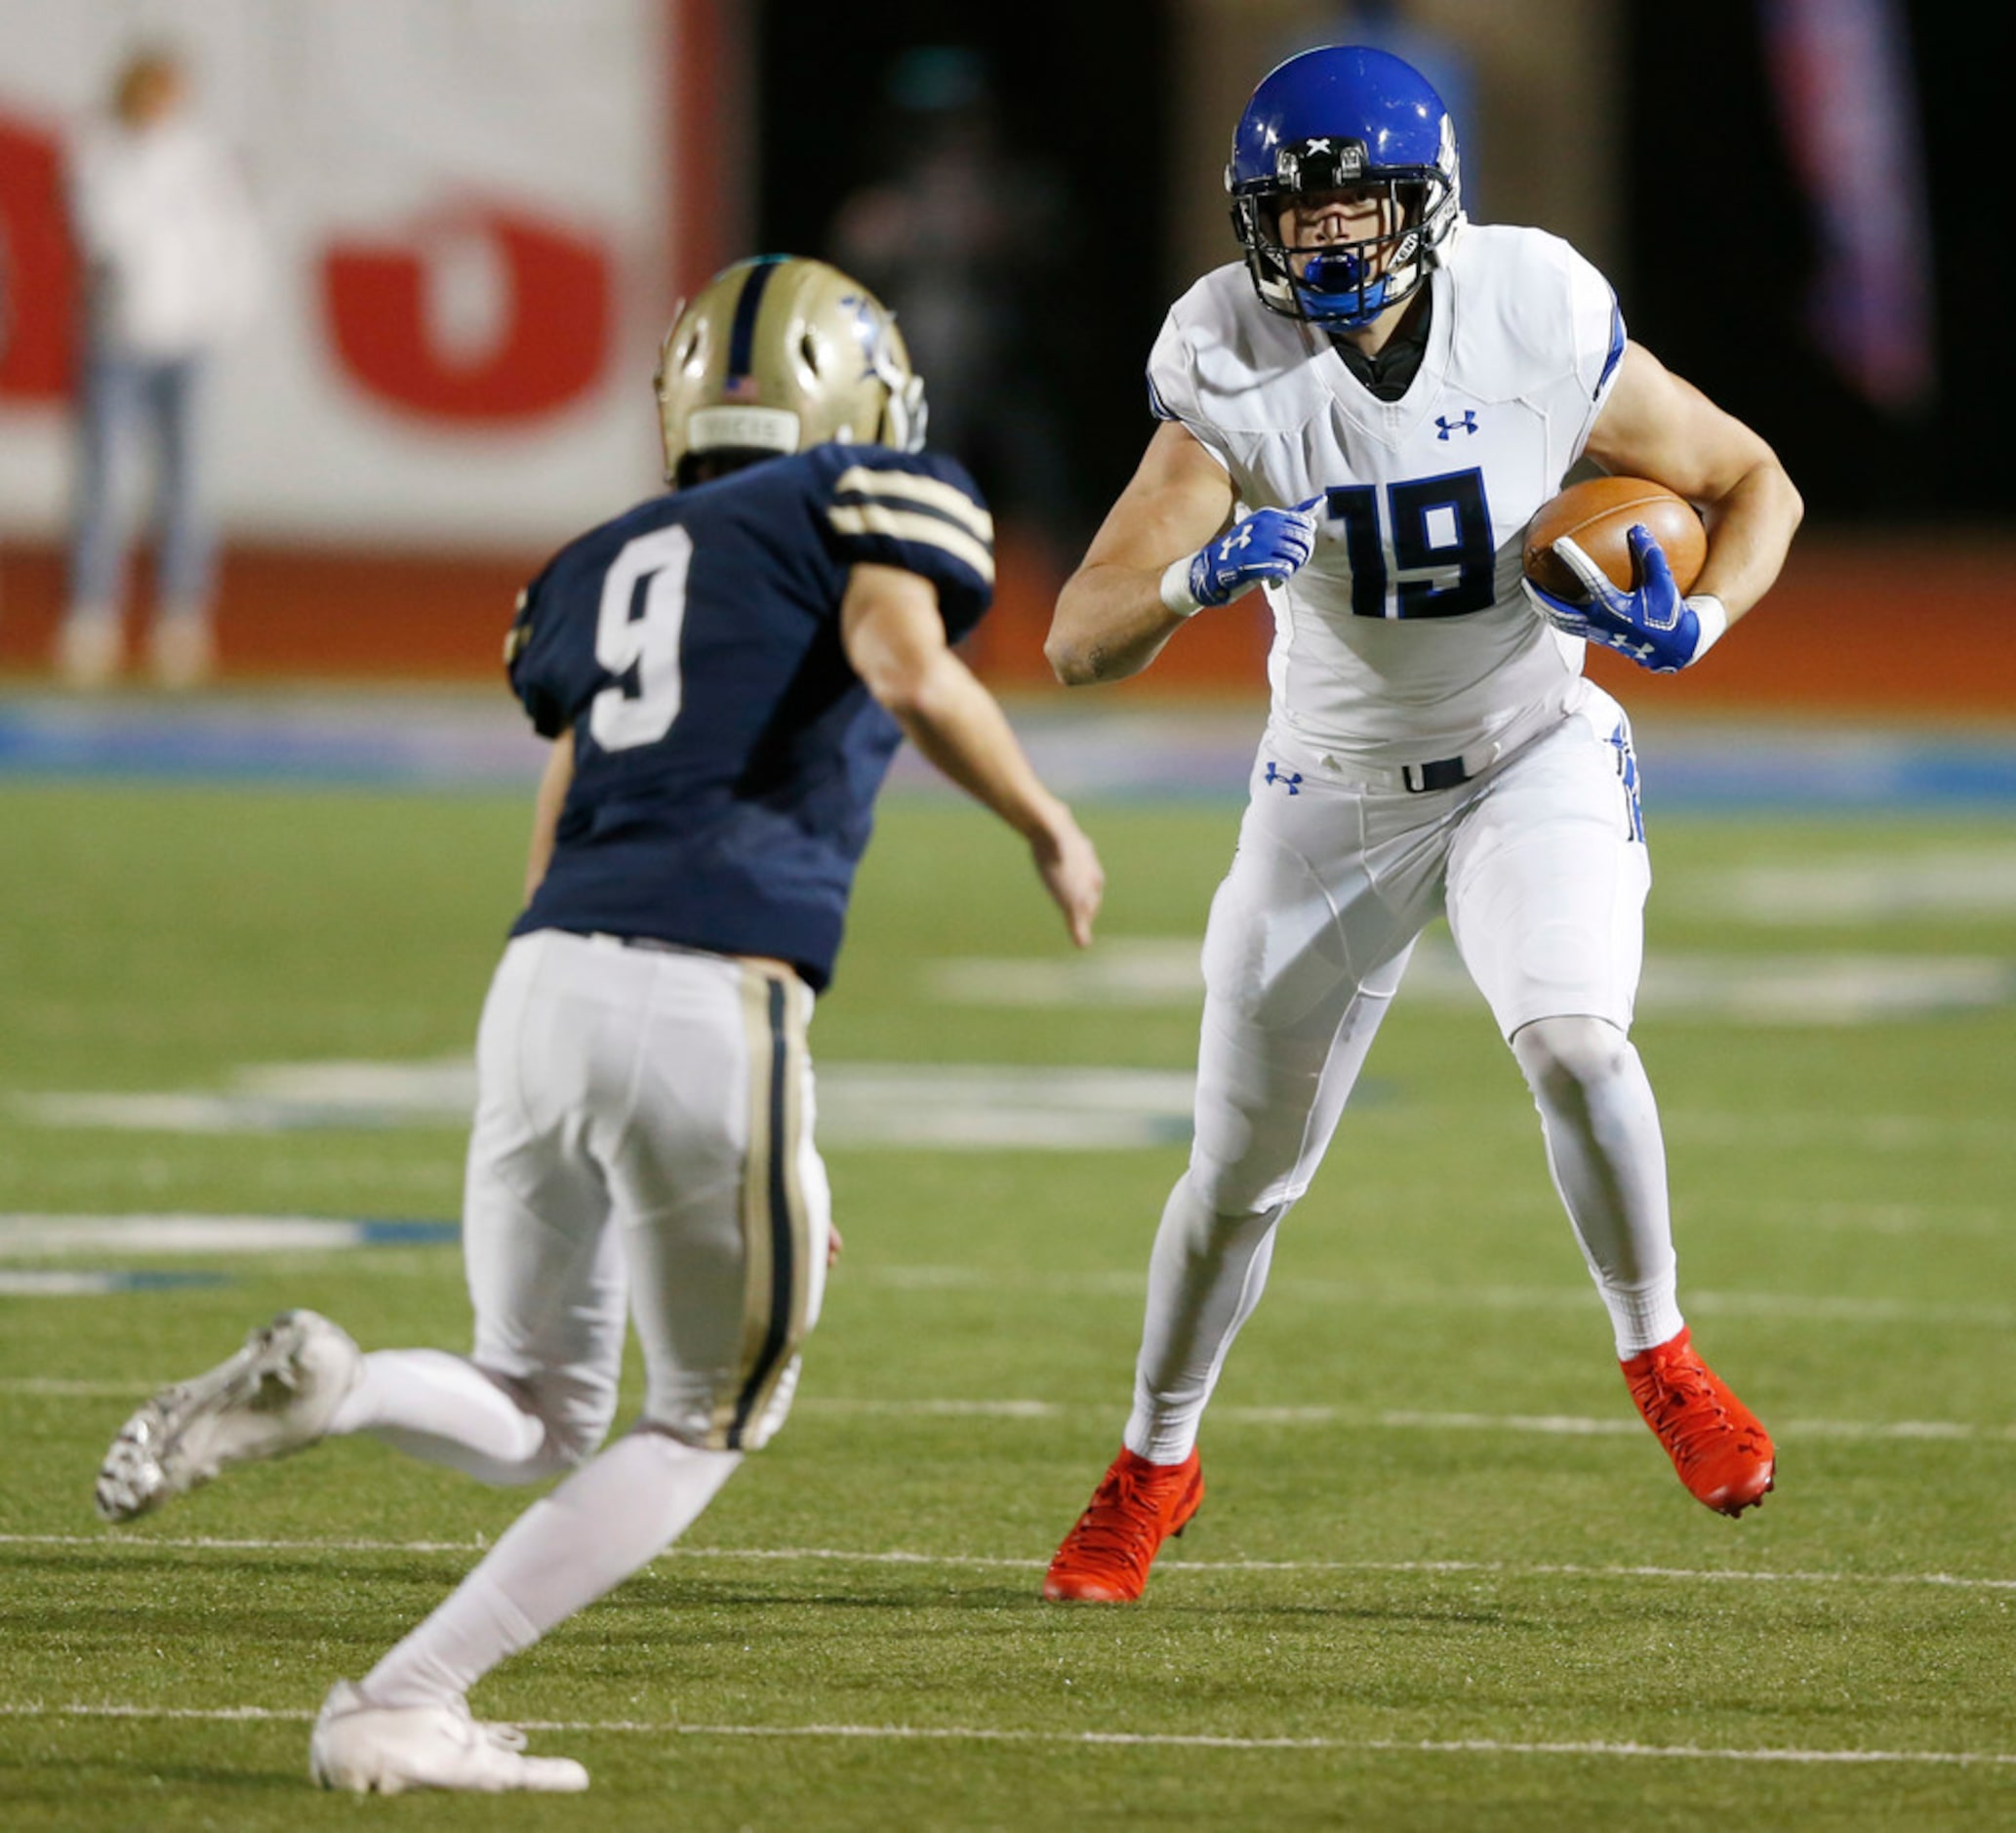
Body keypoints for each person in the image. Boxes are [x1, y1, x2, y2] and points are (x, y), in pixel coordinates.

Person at [94, 254, 1104, 1791]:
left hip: (545, 983)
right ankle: (400, 1695)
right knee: (706, 1414)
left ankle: (340, 1385)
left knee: (533, 1400)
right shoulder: (868, 498)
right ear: (852, 391)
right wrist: (1043, 820)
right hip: (710, 998)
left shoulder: (590, 562)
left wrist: (752, 1117)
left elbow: (563, 812)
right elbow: (905, 665)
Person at [1039, 45, 1803, 1605]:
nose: (1322, 244)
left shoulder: (1529, 303)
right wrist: (1196, 575)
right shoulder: (1225, 358)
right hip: (1328, 787)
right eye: (1294, 217)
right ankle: (1151, 1462)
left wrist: (1703, 618)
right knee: (1237, 1175)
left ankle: (1657, 1352)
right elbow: (1076, 635)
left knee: (1580, 1043)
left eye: (1354, 211)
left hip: (1529, 745)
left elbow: (1749, 478)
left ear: (1429, 204)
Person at [57, 47, 264, 689]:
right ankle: (94, 614)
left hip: (189, 340)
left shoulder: (203, 158)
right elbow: (101, 232)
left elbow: (235, 241)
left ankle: (181, 617)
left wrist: (225, 314)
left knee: (186, 482)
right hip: (119, 338)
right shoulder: (99, 150)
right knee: (102, 479)